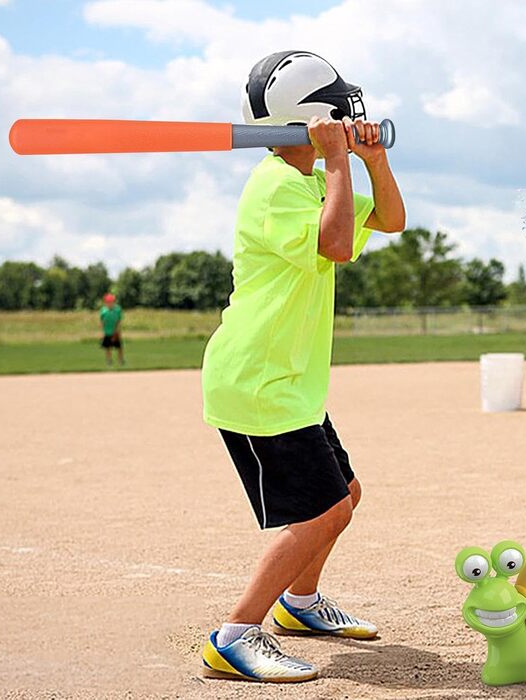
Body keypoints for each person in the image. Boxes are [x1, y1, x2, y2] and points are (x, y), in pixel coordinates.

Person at [200, 50, 405, 683]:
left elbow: (391, 222)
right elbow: (337, 245)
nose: (353, 114)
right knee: (323, 510)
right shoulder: (277, 187)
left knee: (344, 495)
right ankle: (233, 637)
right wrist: (341, 160)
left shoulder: (314, 181)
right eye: (343, 109)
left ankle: (301, 604)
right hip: (260, 381)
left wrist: (371, 160)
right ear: (320, 117)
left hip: (290, 380)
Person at [99, 293, 124, 366]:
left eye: (112, 301)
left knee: (119, 347)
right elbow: (102, 322)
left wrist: (117, 331)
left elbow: (118, 321)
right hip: (107, 332)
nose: (110, 303)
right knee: (108, 348)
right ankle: (109, 361)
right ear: (106, 302)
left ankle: (120, 360)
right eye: (108, 302)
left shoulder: (117, 309)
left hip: (115, 332)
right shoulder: (103, 311)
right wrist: (102, 332)